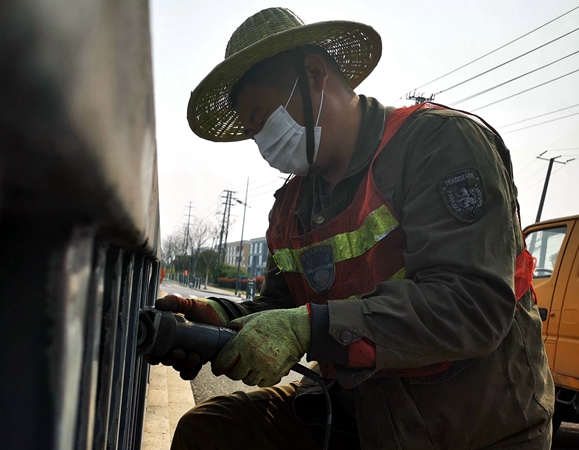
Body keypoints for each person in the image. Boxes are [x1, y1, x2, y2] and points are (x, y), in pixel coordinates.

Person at [148, 7, 555, 449]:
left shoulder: (438, 144)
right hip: (356, 412)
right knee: (210, 431)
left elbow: (472, 304)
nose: (263, 140)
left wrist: (307, 328)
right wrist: (219, 320)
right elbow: (282, 307)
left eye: (264, 117)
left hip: (469, 428)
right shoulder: (292, 206)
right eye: (253, 131)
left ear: (315, 73)